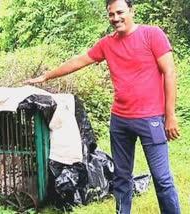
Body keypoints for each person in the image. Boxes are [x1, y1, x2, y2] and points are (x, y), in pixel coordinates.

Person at [23, 0, 180, 213]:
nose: (116, 18)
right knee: (122, 178)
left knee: (162, 179)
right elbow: (78, 61)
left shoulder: (152, 35)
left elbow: (169, 73)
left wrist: (169, 116)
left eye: (120, 12)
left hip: (150, 118)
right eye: (111, 14)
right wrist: (45, 76)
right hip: (120, 121)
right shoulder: (107, 44)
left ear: (131, 11)